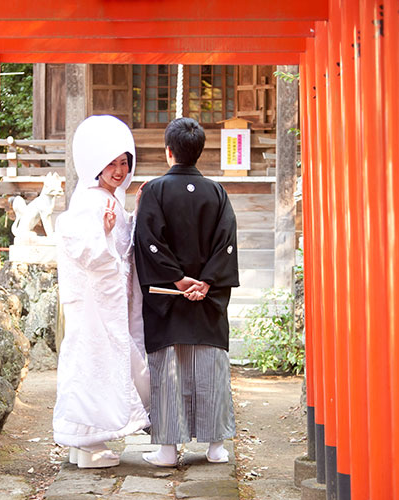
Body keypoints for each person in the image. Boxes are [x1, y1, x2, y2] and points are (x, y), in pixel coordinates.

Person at [134, 117, 239, 466]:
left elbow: (148, 242)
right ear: (199, 152)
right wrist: (206, 282)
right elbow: (226, 244)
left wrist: (178, 281)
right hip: (207, 298)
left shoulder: (154, 190)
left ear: (169, 152)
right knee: (211, 366)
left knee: (168, 367)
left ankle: (167, 449)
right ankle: (215, 447)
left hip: (168, 297)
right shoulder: (217, 192)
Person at [53, 115, 150, 469]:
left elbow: (122, 251)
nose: (119, 170)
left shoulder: (109, 200)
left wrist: (135, 216)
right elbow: (91, 254)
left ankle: (85, 444)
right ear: (95, 164)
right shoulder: (92, 202)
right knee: (91, 364)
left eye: (124, 162)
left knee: (94, 364)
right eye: (111, 163)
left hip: (106, 302)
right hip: (94, 304)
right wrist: (108, 234)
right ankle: (87, 444)